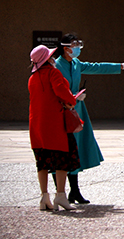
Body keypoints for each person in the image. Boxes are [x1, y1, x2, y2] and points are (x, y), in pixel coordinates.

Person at [54, 33, 124, 204]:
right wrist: (72, 97)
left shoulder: (76, 63)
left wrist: (121, 66)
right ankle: (61, 192)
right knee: (63, 150)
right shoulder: (56, 66)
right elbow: (55, 90)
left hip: (76, 111)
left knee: (76, 149)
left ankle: (74, 191)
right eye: (74, 45)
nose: (78, 48)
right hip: (61, 111)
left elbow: (96, 67)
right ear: (66, 48)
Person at [29, 45, 85, 211]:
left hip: (37, 124)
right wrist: (72, 100)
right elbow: (61, 91)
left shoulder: (32, 77)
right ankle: (60, 195)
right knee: (62, 159)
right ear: (47, 59)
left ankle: (44, 197)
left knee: (42, 161)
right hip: (55, 123)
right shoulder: (53, 73)